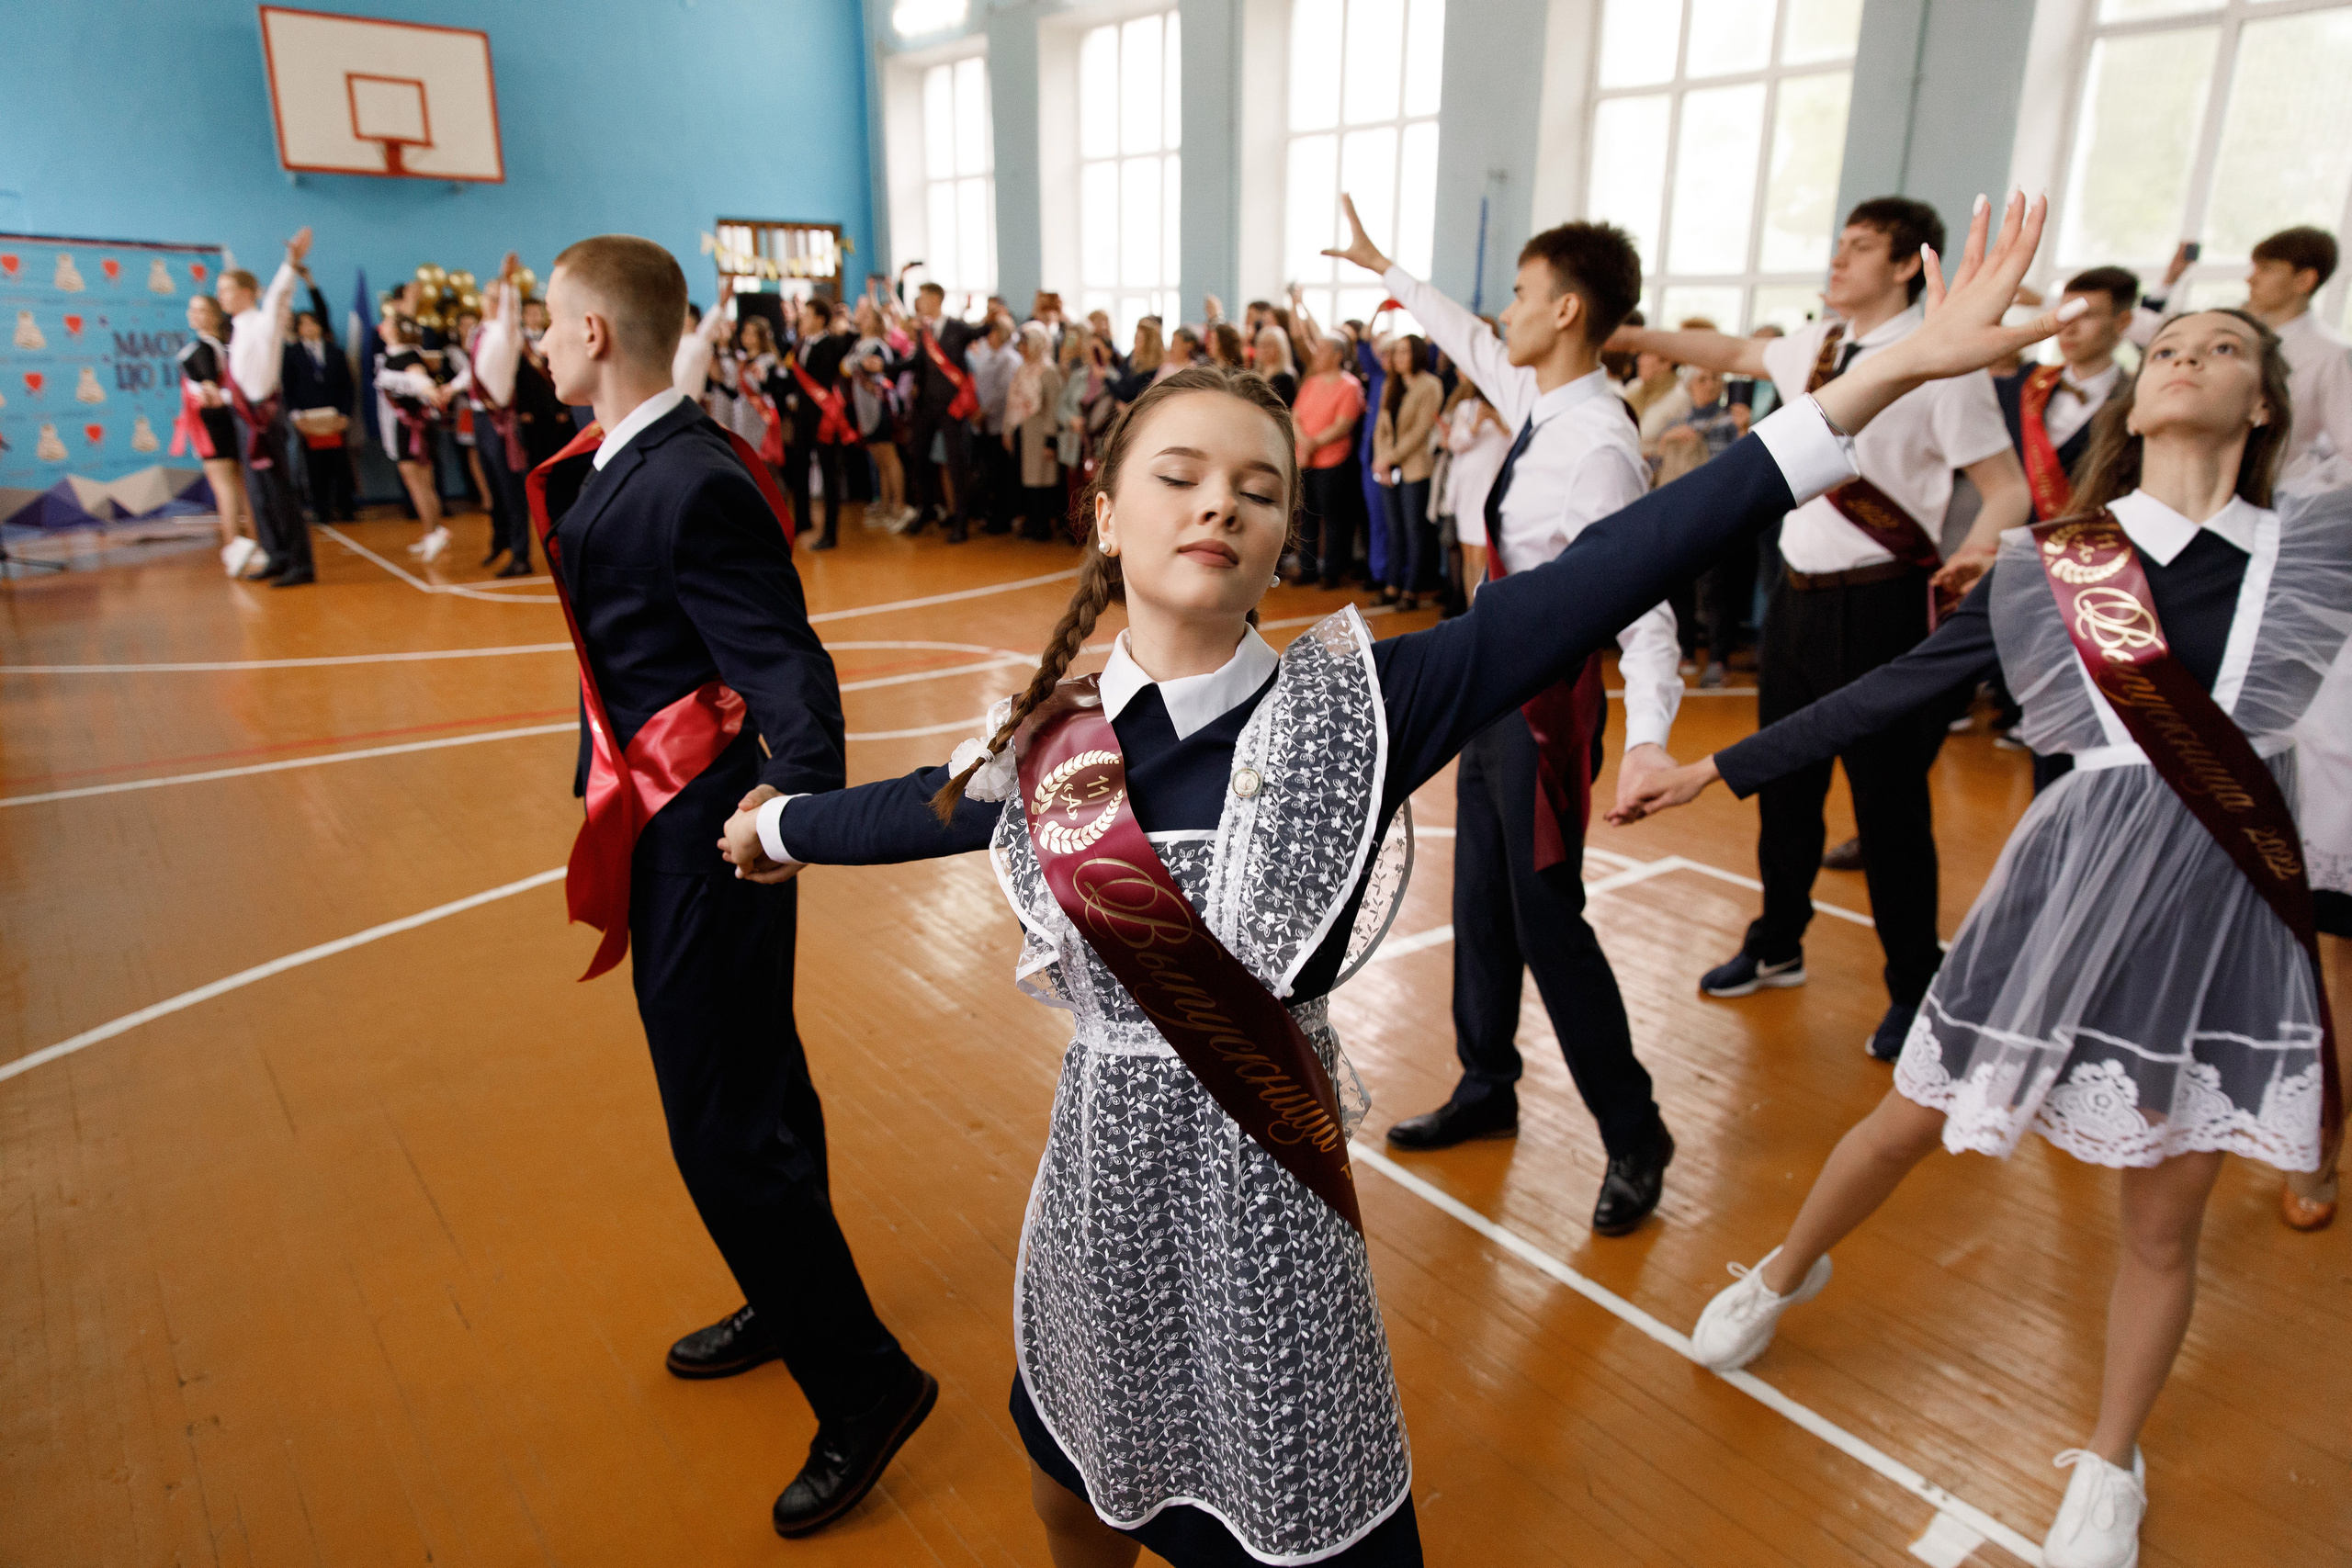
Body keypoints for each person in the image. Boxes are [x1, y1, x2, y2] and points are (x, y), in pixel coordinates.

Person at [717, 195, 2072, 1566]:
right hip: (1101, 1176)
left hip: (1269, 1202)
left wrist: (1878, 376)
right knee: (1070, 1465)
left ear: (1280, 538)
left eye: (1257, 489)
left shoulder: (1364, 704)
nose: (1219, 505)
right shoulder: (1054, 736)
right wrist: (775, 831)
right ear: (1106, 512)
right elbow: (925, 809)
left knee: (1308, 1516)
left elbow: (1621, 563)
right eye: (1180, 476)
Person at [1615, 299, 2349, 1568]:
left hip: (2226, 900)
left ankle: (2110, 1461)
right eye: (2168, 345)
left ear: (2269, 401)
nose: (2188, 358)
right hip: (2065, 889)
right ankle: (1787, 1265)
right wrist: (1718, 766)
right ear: (2134, 393)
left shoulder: (2317, 550)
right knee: (1908, 1118)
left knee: (2164, 1217)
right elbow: (1894, 685)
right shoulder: (2053, 561)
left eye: (2223, 346)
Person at [528, 234, 933, 1537]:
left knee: (718, 1117)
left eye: (546, 321)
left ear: (594, 334)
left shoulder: (687, 478)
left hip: (712, 832)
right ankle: (783, 1283)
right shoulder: (633, 460)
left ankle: (867, 1382)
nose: (536, 343)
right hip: (663, 814)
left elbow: (786, 663)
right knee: (758, 1075)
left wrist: (791, 802)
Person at [1324, 196, 1684, 1234]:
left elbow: (1645, 606)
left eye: (1524, 293)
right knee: (1479, 902)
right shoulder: (1540, 392)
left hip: (1547, 713)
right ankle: (1487, 1082)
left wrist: (1650, 738)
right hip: (1492, 690)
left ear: (1567, 310)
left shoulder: (1599, 449)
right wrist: (1384, 263)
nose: (1506, 309)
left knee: (1547, 921)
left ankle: (1634, 1131)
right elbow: (1468, 337)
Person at [1611, 196, 2033, 1060]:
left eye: (1860, 248)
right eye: (1838, 245)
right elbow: (1730, 350)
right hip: (1797, 602)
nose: (1838, 261)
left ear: (1909, 264)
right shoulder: (1814, 347)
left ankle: (1916, 983)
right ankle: (1777, 940)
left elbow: (2005, 483)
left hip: (1881, 603)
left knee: (1888, 808)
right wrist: (1630, 337)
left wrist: (1985, 542)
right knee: (1786, 791)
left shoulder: (1942, 358)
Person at [218, 229, 320, 587]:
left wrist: (290, 263)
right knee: (258, 494)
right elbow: (243, 381)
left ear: (247, 292)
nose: (221, 296)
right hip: (245, 418)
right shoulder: (236, 331)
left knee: (278, 492)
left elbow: (278, 296)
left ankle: (300, 563)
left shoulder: (263, 324)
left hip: (264, 419)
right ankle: (277, 556)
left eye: (227, 289)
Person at [1997, 265, 2136, 523]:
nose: (2068, 329)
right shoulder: (2022, 383)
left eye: (2085, 316)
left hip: (2087, 546)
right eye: (2063, 315)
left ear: (2123, 322)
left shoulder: (2136, 400)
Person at [2242, 226, 2352, 492]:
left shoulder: (2331, 354)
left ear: (2304, 281)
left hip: (2278, 500)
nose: (2250, 280)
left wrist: (2305, 497)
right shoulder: (2242, 339)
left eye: (2265, 269)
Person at [1661, 363, 1750, 687]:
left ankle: (1718, 659)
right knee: (1679, 587)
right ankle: (1684, 651)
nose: (1711, 384)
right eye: (1703, 378)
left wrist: (1744, 431)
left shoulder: (1731, 421)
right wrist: (1665, 442)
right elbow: (1656, 467)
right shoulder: (1675, 423)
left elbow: (1740, 467)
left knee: (1715, 590)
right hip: (1681, 516)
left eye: (1716, 377)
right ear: (1689, 386)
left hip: (1716, 516)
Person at [173, 294, 265, 579]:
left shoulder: (202, 348)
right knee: (240, 485)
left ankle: (234, 548)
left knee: (224, 487)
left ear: (214, 315)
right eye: (192, 308)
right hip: (228, 422)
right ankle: (259, 544)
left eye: (202, 309)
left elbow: (208, 387)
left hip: (213, 425)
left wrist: (208, 392)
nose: (194, 314)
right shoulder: (222, 346)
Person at [1288, 295, 1367, 589]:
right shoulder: (1311, 382)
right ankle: (1306, 568)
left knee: (1334, 519)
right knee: (1305, 516)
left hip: (1332, 461)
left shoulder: (1350, 386)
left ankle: (1331, 571)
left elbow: (1342, 425)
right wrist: (1303, 443)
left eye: (1322, 351)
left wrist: (1312, 444)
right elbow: (1295, 416)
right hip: (1305, 458)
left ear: (1337, 355)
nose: (1316, 355)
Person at [905, 281, 985, 542]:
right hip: (927, 405)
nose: (920, 303)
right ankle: (926, 508)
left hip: (952, 407)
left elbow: (979, 331)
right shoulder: (924, 332)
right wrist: (887, 367)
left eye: (923, 298)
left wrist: (994, 318)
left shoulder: (956, 328)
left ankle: (961, 519)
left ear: (937, 299)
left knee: (955, 462)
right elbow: (917, 362)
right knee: (918, 455)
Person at [1370, 333, 1442, 610]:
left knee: (1414, 530)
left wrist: (1390, 458)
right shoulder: (1392, 384)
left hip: (1415, 468)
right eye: (1396, 352)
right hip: (1388, 468)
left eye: (1404, 352)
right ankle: (1392, 586)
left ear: (1418, 354)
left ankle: (1410, 591)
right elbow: (1380, 428)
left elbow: (1420, 432)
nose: (1397, 357)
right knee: (1393, 529)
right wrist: (1381, 461)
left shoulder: (1430, 385)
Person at [376, 315, 453, 562]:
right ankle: (432, 529)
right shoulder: (394, 355)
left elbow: (419, 378)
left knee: (419, 482)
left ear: (398, 331)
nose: (383, 325)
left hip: (413, 429)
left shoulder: (406, 358)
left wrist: (431, 391)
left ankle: (434, 532)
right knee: (418, 482)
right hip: (406, 425)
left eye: (388, 323)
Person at [281, 281, 356, 526]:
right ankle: (322, 510)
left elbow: (347, 386)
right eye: (303, 324)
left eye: (313, 322)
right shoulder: (291, 354)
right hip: (308, 419)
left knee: (340, 465)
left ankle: (347, 508)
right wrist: (296, 416)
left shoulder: (335, 352)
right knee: (315, 468)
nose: (309, 327)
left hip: (334, 417)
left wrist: (345, 414)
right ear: (298, 329)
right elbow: (288, 388)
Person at [783, 296, 854, 551]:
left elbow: (849, 341)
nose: (803, 318)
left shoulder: (833, 343)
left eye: (808, 315)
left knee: (828, 473)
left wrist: (846, 323)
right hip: (802, 416)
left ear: (820, 319)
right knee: (799, 467)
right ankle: (802, 520)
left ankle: (830, 532)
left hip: (825, 416)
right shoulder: (800, 344)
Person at [1439, 379, 1510, 589]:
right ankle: (1471, 607)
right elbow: (1455, 443)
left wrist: (1496, 419)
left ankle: (1479, 607)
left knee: (1482, 552)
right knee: (1468, 552)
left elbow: (1513, 438)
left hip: (1490, 485)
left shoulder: (1508, 406)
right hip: (1467, 487)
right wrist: (1475, 425)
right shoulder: (1466, 407)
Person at [847, 299, 910, 530]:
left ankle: (900, 507)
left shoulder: (878, 346)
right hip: (865, 408)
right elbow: (848, 366)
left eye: (863, 313)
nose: (858, 315)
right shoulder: (858, 345)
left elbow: (879, 370)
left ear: (874, 321)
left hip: (880, 406)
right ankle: (884, 505)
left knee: (889, 456)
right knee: (879, 459)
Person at [1001, 321, 1066, 541]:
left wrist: (1050, 440)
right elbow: (1014, 402)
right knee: (1026, 478)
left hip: (1041, 434)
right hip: (1023, 431)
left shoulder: (1048, 372)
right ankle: (1030, 520)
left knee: (1042, 479)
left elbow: (1053, 408)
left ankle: (1043, 525)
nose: (1022, 349)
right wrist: (1008, 429)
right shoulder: (1022, 370)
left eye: (1026, 344)